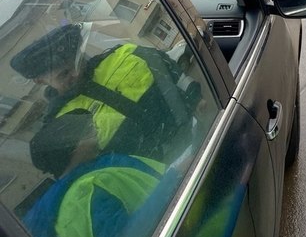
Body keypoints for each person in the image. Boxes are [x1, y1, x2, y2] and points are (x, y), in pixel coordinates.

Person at [11, 24, 200, 160]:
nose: (77, 74)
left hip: (203, 135)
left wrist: (199, 101)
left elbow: (178, 78)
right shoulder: (58, 127)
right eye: (65, 73)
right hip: (166, 186)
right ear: (40, 80)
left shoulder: (126, 54)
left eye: (79, 62)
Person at [23, 112, 180, 237]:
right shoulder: (82, 194)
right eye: (90, 130)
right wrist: (173, 181)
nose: (97, 132)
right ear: (75, 146)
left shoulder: (99, 169)